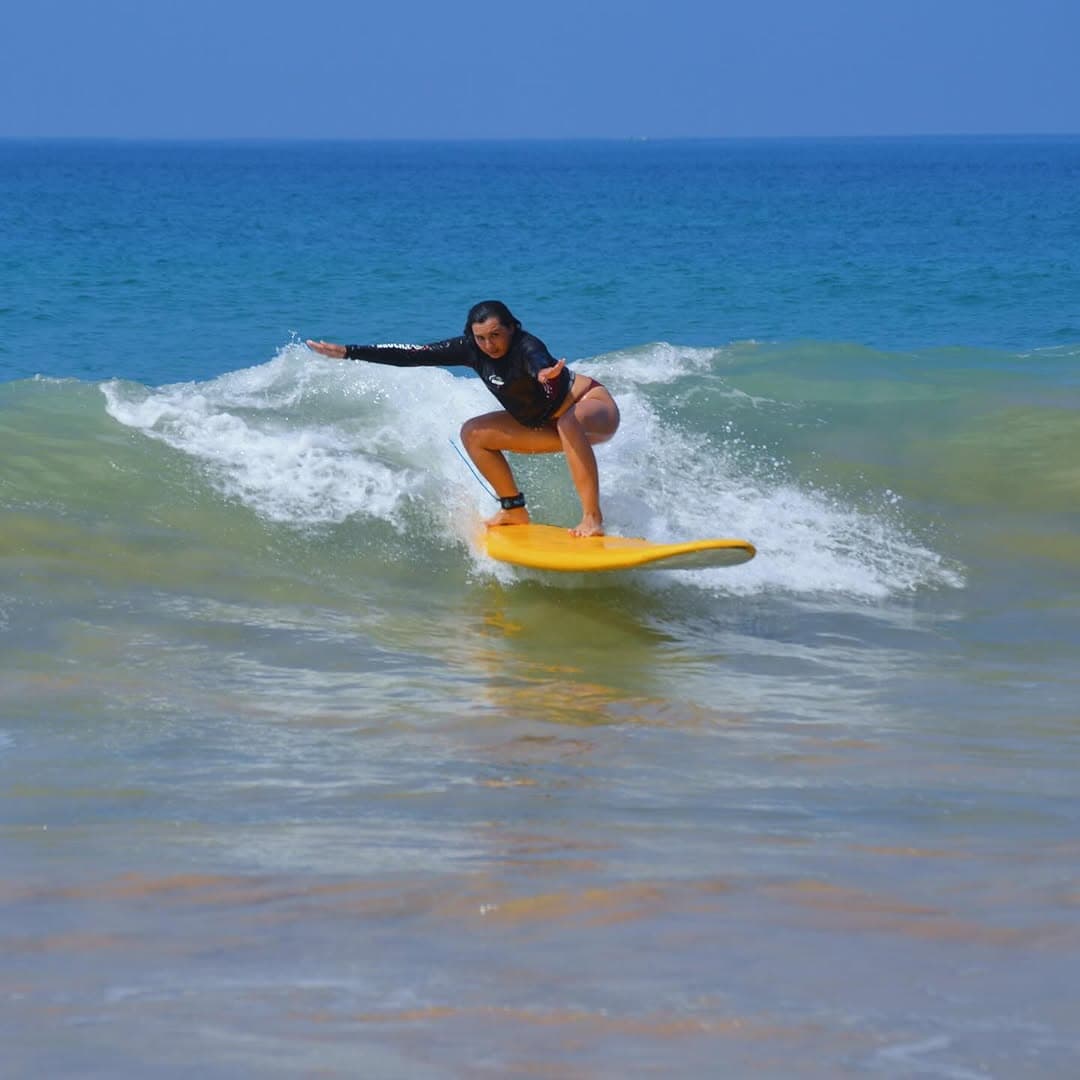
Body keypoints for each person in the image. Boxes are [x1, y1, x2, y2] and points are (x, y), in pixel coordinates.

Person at [307, 301, 620, 537]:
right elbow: (413, 354)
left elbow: (537, 360)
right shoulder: (471, 350)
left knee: (567, 419)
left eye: (496, 335)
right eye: (481, 337)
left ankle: (592, 518)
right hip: (543, 423)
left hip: (589, 407)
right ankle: (514, 510)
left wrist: (544, 374)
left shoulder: (528, 346)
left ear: (512, 327)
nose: (489, 344)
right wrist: (350, 352)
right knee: (474, 433)